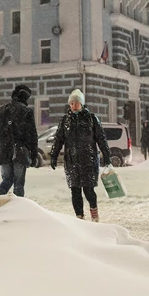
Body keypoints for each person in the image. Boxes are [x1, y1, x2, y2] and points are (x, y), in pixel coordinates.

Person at [50, 89, 111, 222]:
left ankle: (94, 214)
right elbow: (59, 139)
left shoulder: (91, 118)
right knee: (75, 191)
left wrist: (106, 154)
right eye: (71, 103)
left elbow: (101, 138)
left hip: (88, 160)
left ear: (81, 104)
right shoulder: (65, 120)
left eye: (76, 103)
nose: (73, 106)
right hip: (71, 161)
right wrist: (54, 155)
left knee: (88, 190)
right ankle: (79, 218)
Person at [0, 84, 38, 197]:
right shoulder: (27, 111)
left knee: (7, 180)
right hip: (20, 151)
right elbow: (32, 135)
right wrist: (33, 155)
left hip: (4, 151)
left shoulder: (1, 111)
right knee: (19, 184)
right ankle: (18, 210)